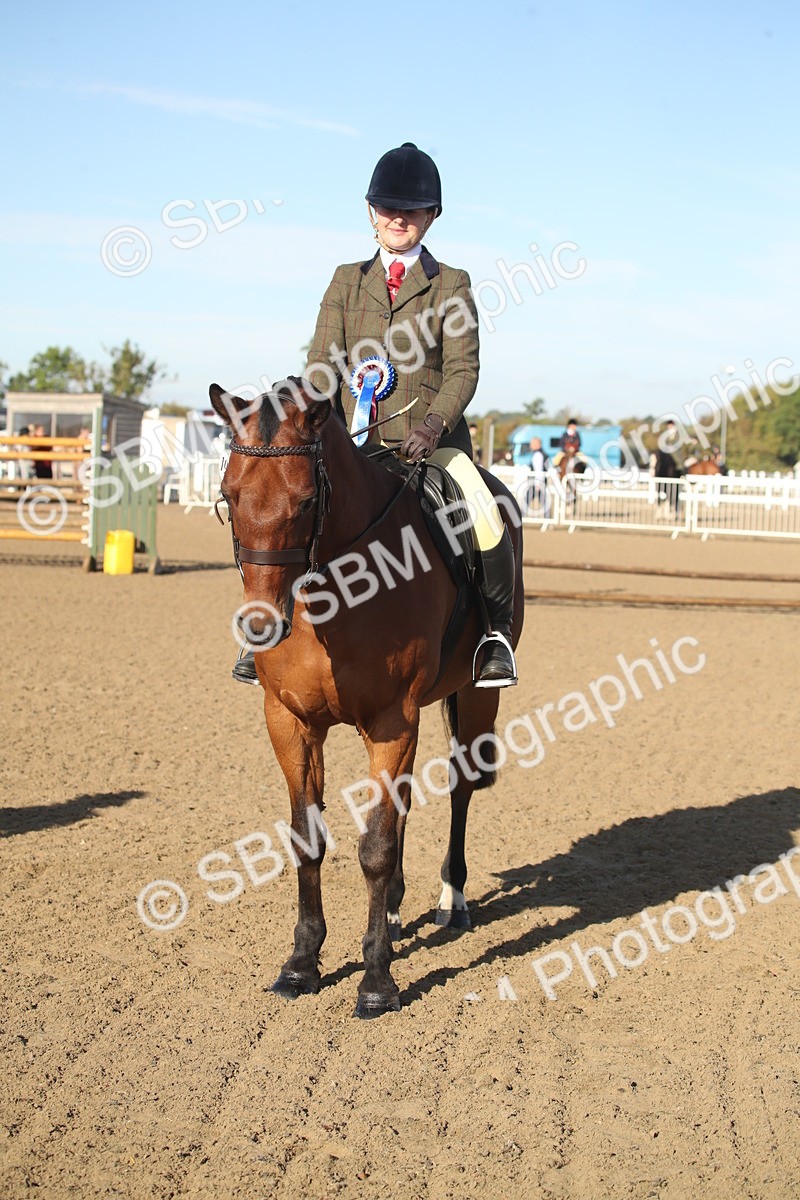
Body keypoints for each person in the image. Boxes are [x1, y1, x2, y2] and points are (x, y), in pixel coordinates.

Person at [233, 141, 518, 689]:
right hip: (349, 441)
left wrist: (433, 425)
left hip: (430, 444)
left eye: (411, 210)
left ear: (431, 216)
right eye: (388, 208)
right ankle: (265, 632)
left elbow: (463, 370)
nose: (398, 218)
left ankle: (494, 636)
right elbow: (322, 365)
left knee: (483, 511)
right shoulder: (346, 280)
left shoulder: (451, 283)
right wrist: (303, 417)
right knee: (287, 508)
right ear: (371, 212)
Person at [526, 436, 550, 517]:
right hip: (539, 482)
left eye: (532, 443)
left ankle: (518, 518)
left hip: (537, 483)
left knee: (527, 500)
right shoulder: (541, 453)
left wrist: (537, 483)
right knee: (543, 501)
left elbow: (538, 470)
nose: (530, 445)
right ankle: (548, 519)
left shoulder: (538, 454)